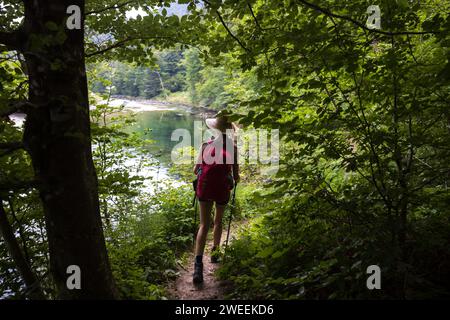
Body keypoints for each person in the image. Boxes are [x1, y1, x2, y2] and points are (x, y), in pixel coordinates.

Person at [192, 115, 240, 284]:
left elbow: (195, 170)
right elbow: (236, 176)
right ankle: (215, 253)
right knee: (218, 222)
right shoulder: (233, 148)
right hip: (221, 190)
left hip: (204, 188)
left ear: (216, 129)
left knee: (204, 225)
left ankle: (198, 266)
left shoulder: (205, 145)